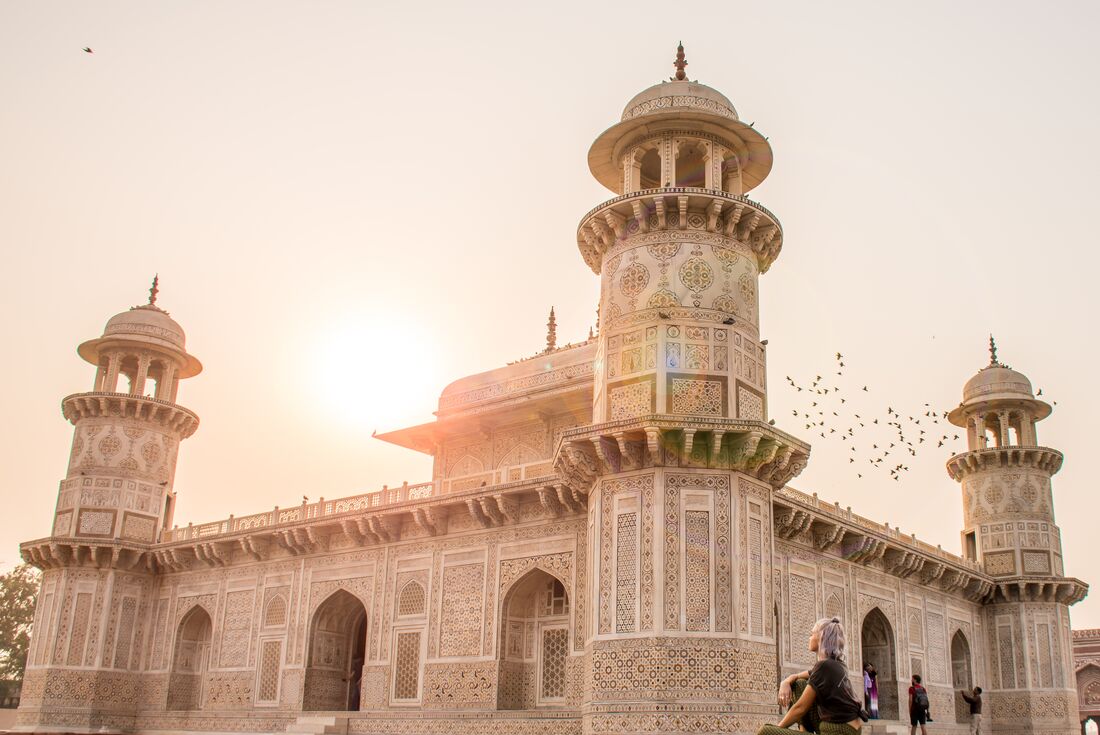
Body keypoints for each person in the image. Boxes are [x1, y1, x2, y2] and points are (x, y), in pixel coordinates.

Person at [757, 618, 865, 735]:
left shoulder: (824, 666)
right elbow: (804, 675)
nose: (809, 638)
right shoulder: (837, 664)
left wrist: (777, 730)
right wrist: (786, 681)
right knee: (800, 684)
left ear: (822, 638)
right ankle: (804, 731)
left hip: (838, 731)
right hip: (846, 728)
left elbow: (800, 708)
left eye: (812, 634)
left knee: (765, 731)